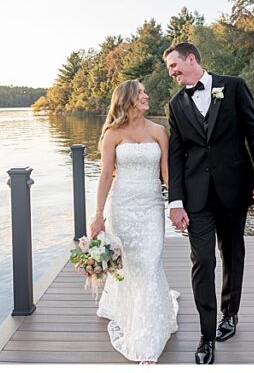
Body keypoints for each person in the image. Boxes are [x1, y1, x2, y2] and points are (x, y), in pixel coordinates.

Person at [163, 42, 254, 364]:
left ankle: (231, 314)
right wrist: (176, 201)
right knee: (202, 262)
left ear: (191, 59)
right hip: (197, 198)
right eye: (170, 69)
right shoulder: (175, 104)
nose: (172, 73)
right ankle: (206, 335)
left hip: (233, 190)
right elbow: (176, 155)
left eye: (174, 66)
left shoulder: (234, 87)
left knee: (233, 253)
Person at [89, 79, 179, 364]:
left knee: (150, 265)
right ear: (127, 99)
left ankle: (147, 337)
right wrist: (98, 215)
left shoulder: (158, 131)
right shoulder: (112, 134)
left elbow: (166, 172)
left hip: (152, 207)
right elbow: (105, 175)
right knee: (130, 267)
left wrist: (176, 204)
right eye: (141, 93)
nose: (146, 95)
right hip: (123, 208)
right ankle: (134, 318)